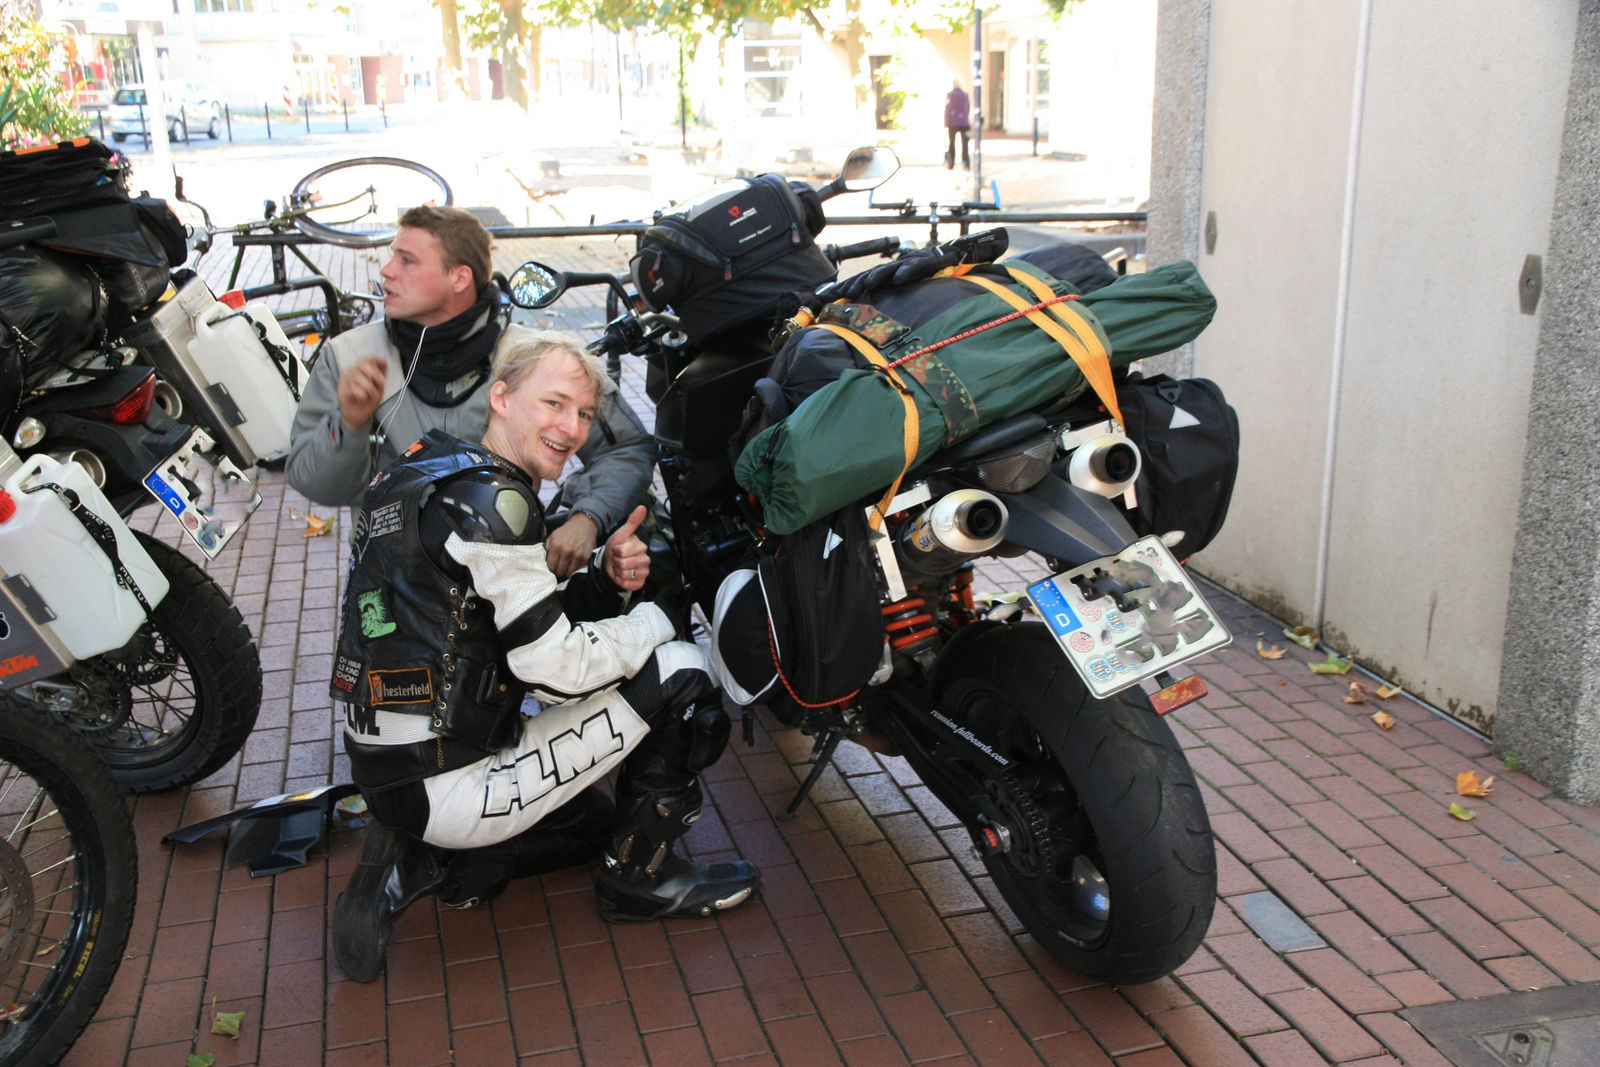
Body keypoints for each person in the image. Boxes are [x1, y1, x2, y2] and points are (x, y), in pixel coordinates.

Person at [328, 334, 759, 983]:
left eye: (583, 413)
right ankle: (638, 882)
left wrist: (605, 575)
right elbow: (555, 671)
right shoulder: (496, 503)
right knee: (684, 672)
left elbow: (482, 611)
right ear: (501, 397)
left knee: (591, 823)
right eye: (554, 403)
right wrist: (656, 619)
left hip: (385, 756)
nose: (572, 428)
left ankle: (431, 856)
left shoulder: (426, 468)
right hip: (451, 776)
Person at [286, 203, 653, 577]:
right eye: (393, 256)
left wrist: (587, 517)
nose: (387, 271)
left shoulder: (536, 360)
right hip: (392, 589)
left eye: (407, 260)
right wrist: (348, 424)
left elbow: (625, 448)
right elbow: (317, 486)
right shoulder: (349, 358)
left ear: (459, 278)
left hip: (509, 585)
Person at [944, 80, 971, 171]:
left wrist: (946, 123)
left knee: (952, 143)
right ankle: (966, 163)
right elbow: (968, 107)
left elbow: (947, 109)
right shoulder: (965, 95)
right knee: (965, 144)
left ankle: (951, 163)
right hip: (964, 122)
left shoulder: (950, 95)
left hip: (953, 122)